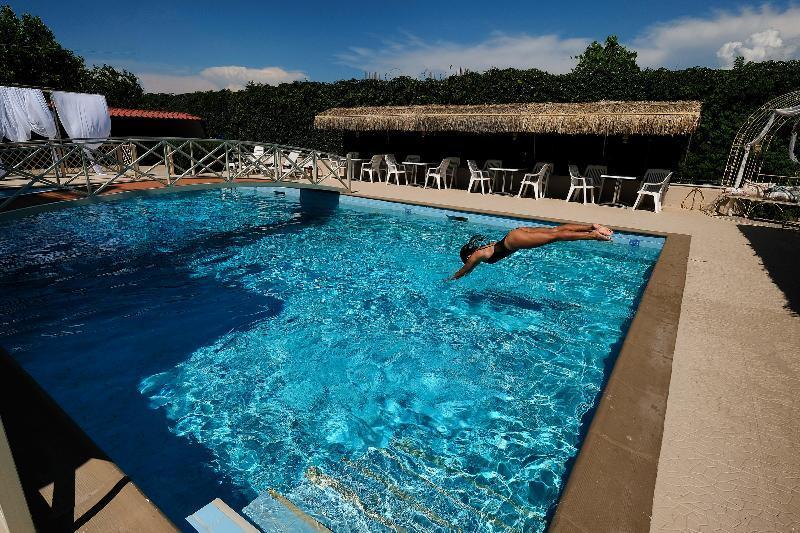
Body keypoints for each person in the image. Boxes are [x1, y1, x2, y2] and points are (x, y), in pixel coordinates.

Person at [449, 223, 613, 280]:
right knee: (554, 231)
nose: (469, 262)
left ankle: (593, 235)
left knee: (554, 237)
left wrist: (448, 280)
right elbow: (469, 269)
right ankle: (592, 226)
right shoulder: (483, 250)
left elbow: (462, 271)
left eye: (467, 259)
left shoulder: (476, 255)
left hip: (512, 241)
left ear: (469, 255)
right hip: (515, 234)